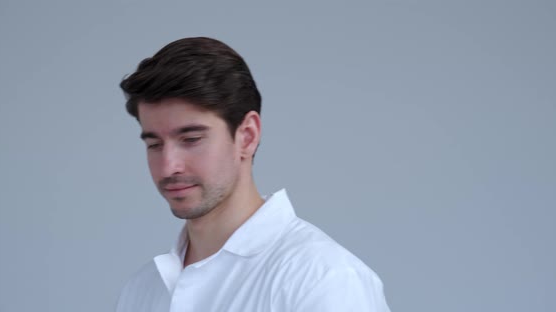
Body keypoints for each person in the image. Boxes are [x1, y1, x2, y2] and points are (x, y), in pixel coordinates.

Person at [116, 37, 391, 312]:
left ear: (247, 136)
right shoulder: (143, 289)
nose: (168, 167)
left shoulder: (323, 280)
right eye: (154, 145)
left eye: (191, 139)